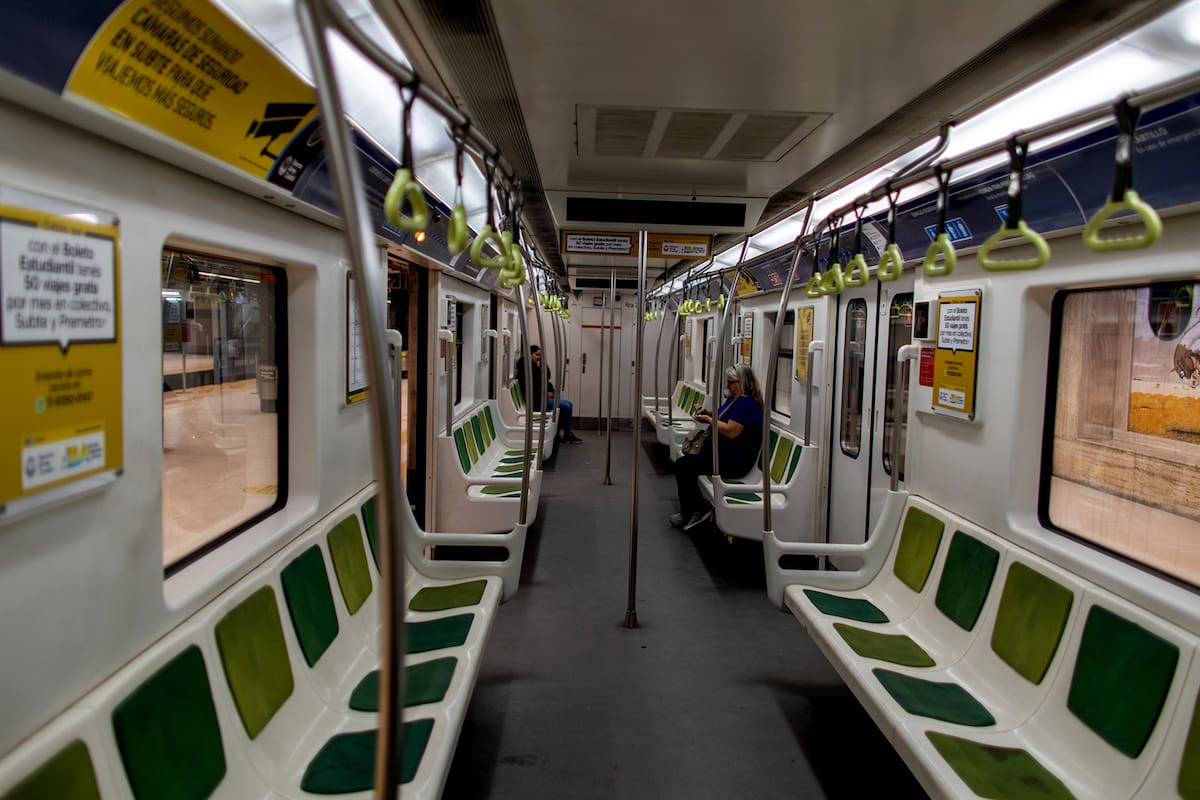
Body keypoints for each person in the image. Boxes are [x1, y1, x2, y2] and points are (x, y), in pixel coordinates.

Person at [670, 364, 764, 530]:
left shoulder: (747, 404)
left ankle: (694, 510)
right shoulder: (735, 400)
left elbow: (731, 432)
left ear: (743, 382)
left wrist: (708, 421)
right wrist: (706, 412)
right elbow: (722, 415)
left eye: (731, 383)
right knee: (685, 464)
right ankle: (693, 509)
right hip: (723, 454)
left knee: (683, 466)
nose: (728, 387)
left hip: (734, 461)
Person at [515, 344, 581, 444]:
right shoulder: (526, 369)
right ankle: (565, 435)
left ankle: (565, 434)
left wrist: (543, 362)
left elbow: (547, 375)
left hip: (539, 398)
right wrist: (545, 394)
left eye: (540, 355)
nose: (538, 357)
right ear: (529, 354)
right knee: (565, 407)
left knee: (568, 404)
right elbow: (531, 388)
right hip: (536, 402)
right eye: (536, 355)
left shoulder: (533, 366)